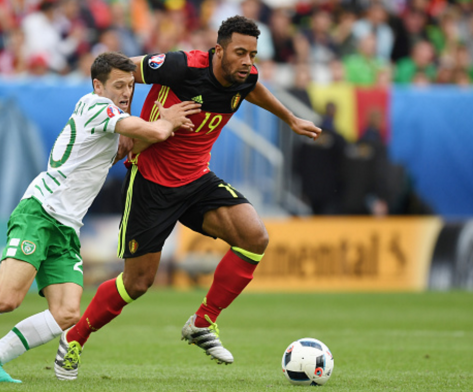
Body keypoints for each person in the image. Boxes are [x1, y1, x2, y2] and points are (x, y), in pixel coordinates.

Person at [0, 51, 201, 383]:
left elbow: (121, 149)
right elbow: (147, 132)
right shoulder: (95, 106)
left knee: (66, 312)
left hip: (67, 226)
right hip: (41, 211)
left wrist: (156, 134)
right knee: (7, 298)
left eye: (131, 86)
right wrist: (164, 121)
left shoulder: (110, 122)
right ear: (98, 85)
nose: (126, 92)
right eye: (119, 85)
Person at [55, 15, 321, 381]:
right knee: (137, 284)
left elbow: (253, 88)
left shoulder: (246, 77)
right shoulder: (182, 66)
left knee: (254, 237)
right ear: (218, 50)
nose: (248, 61)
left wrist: (289, 118)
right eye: (240, 52)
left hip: (197, 180)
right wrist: (127, 123)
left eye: (253, 54)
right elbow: (123, 70)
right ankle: (75, 337)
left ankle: (202, 321)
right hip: (151, 181)